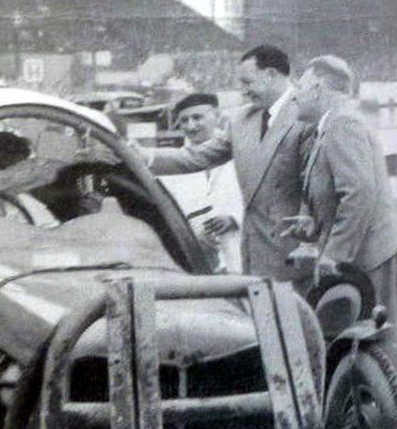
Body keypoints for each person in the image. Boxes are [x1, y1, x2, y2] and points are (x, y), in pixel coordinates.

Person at [135, 45, 315, 281]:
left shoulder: (308, 112)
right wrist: (145, 156)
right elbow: (197, 156)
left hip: (294, 250)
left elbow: (319, 185)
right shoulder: (241, 119)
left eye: (247, 82)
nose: (243, 91)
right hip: (251, 250)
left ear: (270, 75)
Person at [282, 55, 397, 321]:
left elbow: (359, 194)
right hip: (364, 256)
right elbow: (341, 194)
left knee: (378, 344)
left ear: (317, 89)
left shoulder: (343, 124)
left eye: (299, 88)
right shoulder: (330, 125)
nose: (293, 97)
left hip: (371, 259)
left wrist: (335, 255)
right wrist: (314, 225)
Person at [165, 93, 244, 273]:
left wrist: (234, 218)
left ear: (216, 116)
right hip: (198, 259)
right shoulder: (176, 164)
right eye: (184, 120)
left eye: (197, 117)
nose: (191, 126)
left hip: (238, 248)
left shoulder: (240, 152)